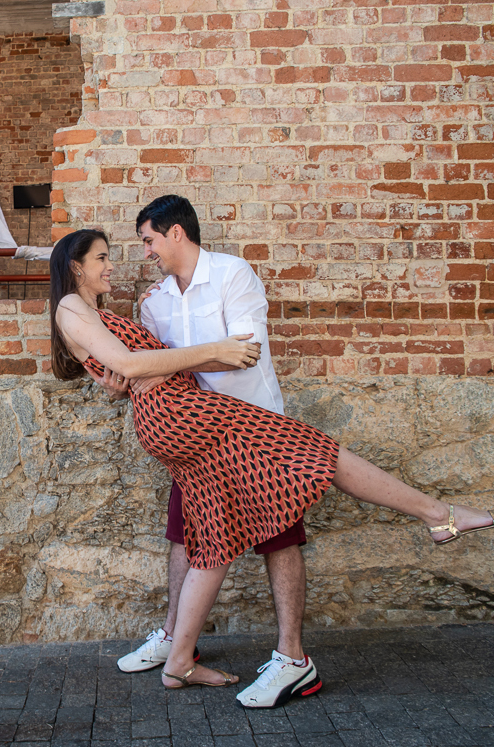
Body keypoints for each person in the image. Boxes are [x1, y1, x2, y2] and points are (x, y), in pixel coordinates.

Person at [50, 228, 494, 693]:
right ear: (76, 266)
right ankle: (439, 515)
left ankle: (178, 662)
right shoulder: (71, 308)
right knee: (316, 451)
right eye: (102, 258)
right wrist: (215, 351)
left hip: (169, 418)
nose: (113, 265)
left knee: (213, 537)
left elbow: (127, 366)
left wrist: (132, 373)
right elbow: (130, 365)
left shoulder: (94, 310)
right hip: (184, 415)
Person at [101, 195, 315, 708]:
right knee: (183, 536)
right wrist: (125, 382)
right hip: (196, 444)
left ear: (176, 233)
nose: (145, 252)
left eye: (149, 240)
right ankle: (178, 641)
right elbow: (148, 373)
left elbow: (244, 351)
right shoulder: (153, 304)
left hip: (257, 435)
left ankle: (293, 659)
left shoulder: (232, 275)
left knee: (279, 541)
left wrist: (168, 368)